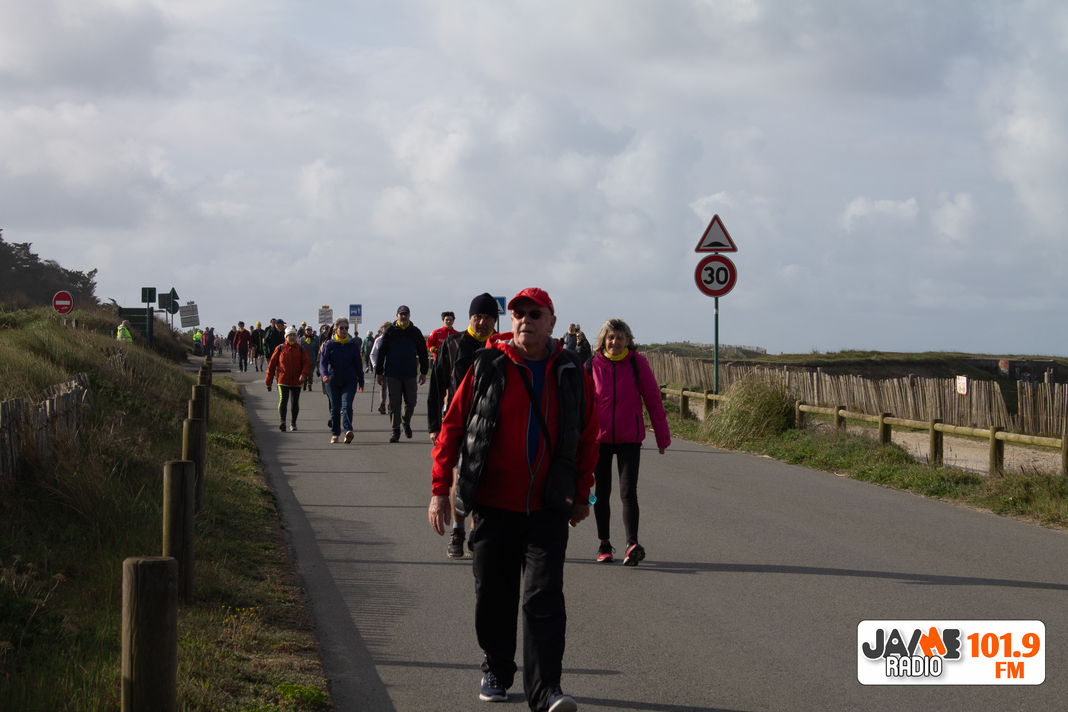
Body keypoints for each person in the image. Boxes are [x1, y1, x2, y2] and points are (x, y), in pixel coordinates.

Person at [428, 287, 598, 712]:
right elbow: (452, 427)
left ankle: (546, 691)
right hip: (493, 504)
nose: (525, 320)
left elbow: (587, 435)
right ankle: (497, 669)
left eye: (535, 314)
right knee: (494, 596)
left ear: (552, 322)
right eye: (519, 314)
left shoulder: (570, 369)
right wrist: (439, 490)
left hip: (547, 507)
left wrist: (582, 494)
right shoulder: (489, 364)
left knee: (544, 598)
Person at [588, 318, 670, 566]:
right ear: (603, 340)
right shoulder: (591, 365)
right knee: (602, 493)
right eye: (611, 337)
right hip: (599, 440)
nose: (615, 342)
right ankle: (604, 544)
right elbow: (580, 405)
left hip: (629, 439)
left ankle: (632, 544)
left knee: (628, 493)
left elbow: (653, 399)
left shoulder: (637, 363)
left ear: (627, 340)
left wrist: (662, 437)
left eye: (620, 337)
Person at [427, 293, 497, 558]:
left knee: (483, 478)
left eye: (488, 318)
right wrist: (434, 426)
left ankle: (476, 531)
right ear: (470, 318)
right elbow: (437, 386)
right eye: (478, 317)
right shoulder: (452, 344)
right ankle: (458, 531)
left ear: (494, 321)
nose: (482, 322)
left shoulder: (500, 346)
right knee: (460, 475)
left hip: (490, 422)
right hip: (458, 422)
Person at [374, 306, 429, 443]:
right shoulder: (390, 332)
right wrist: (379, 372)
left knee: (411, 402)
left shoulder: (415, 332)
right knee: (394, 403)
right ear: (397, 316)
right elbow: (381, 353)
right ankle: (395, 430)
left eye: (405, 314)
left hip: (410, 373)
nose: (403, 317)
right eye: (401, 314)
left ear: (409, 316)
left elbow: (423, 352)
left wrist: (423, 372)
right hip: (393, 373)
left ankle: (406, 421)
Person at [320, 317, 365, 443]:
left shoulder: (352, 345)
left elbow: (358, 364)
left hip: (349, 381)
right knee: (335, 408)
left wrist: (361, 381)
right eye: (341, 328)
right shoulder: (329, 345)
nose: (344, 330)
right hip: (332, 381)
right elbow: (323, 363)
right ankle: (335, 433)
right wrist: (324, 375)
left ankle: (347, 431)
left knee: (347, 406)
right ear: (336, 330)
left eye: (346, 328)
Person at [265, 326, 311, 432]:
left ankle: (293, 423)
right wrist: (268, 381)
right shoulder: (280, 348)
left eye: (294, 335)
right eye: (290, 335)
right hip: (283, 379)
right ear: (286, 337)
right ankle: (283, 422)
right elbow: (272, 365)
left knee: (295, 402)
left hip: (297, 380)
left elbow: (306, 363)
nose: (292, 337)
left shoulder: (301, 349)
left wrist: (304, 374)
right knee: (283, 399)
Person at [369, 322, 391, 414]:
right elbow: (373, 354)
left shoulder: (394, 339)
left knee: (392, 387)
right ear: (382, 329)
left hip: (392, 367)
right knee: (383, 386)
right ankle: (382, 404)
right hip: (382, 367)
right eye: (385, 328)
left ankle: (390, 404)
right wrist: (375, 365)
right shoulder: (378, 340)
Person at [301, 326, 321, 391]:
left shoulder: (315, 339)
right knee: (305, 372)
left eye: (309, 330)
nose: (308, 331)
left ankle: (309, 385)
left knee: (310, 373)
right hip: (304, 360)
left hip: (312, 359)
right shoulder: (302, 339)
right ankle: (304, 383)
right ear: (305, 331)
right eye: (307, 330)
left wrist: (317, 358)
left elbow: (317, 349)